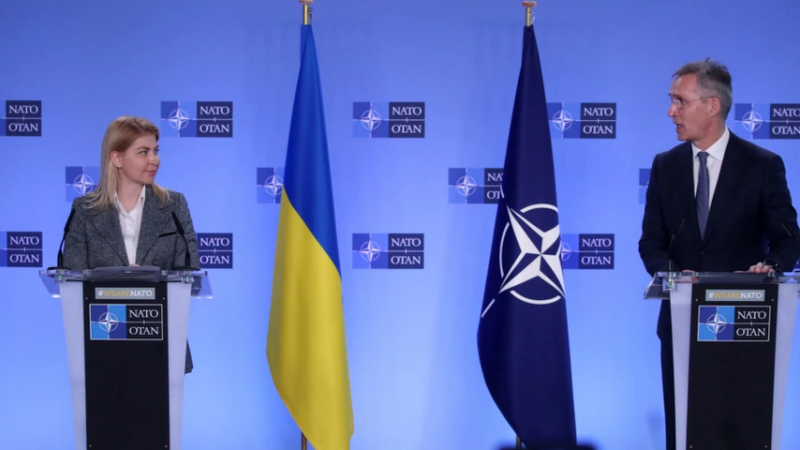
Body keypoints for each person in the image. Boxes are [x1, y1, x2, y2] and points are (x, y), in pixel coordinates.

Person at [639, 58, 800, 450]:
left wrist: (770, 267)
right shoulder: (665, 166)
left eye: (680, 101)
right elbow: (651, 243)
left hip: (743, 326)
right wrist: (677, 277)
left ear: (712, 106)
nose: (671, 111)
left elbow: (788, 241)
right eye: (671, 100)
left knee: (741, 435)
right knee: (685, 434)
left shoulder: (763, 166)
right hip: (681, 325)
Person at [64, 116, 200, 373]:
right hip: (102, 344)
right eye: (143, 152)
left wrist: (149, 278)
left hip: (161, 345)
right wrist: (121, 280)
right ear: (117, 158)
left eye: (156, 151)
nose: (154, 160)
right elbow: (73, 280)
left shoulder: (174, 205)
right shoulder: (85, 210)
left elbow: (190, 273)